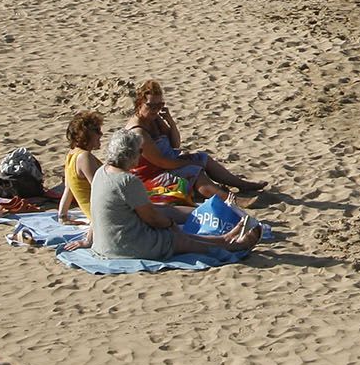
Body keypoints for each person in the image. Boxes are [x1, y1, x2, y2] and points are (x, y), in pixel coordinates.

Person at [90, 127, 261, 259]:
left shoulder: (102, 172)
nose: (141, 156)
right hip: (125, 246)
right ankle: (232, 245)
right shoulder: (127, 181)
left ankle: (224, 239)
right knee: (177, 238)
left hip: (105, 242)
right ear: (130, 154)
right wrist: (169, 223)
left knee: (174, 232)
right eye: (140, 152)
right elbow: (152, 218)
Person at [133, 80, 264, 196]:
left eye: (159, 105)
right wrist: (188, 163)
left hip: (167, 165)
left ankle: (242, 184)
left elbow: (175, 144)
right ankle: (230, 200)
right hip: (151, 178)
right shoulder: (139, 132)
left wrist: (171, 122)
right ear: (140, 103)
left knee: (203, 158)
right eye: (151, 106)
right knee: (193, 171)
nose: (155, 110)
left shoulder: (153, 119)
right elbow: (162, 162)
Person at [55, 111, 104, 226]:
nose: (101, 134)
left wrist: (62, 216)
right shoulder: (85, 157)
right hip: (101, 215)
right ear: (85, 134)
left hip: (95, 213)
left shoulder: (71, 155)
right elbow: (101, 189)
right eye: (97, 130)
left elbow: (69, 188)